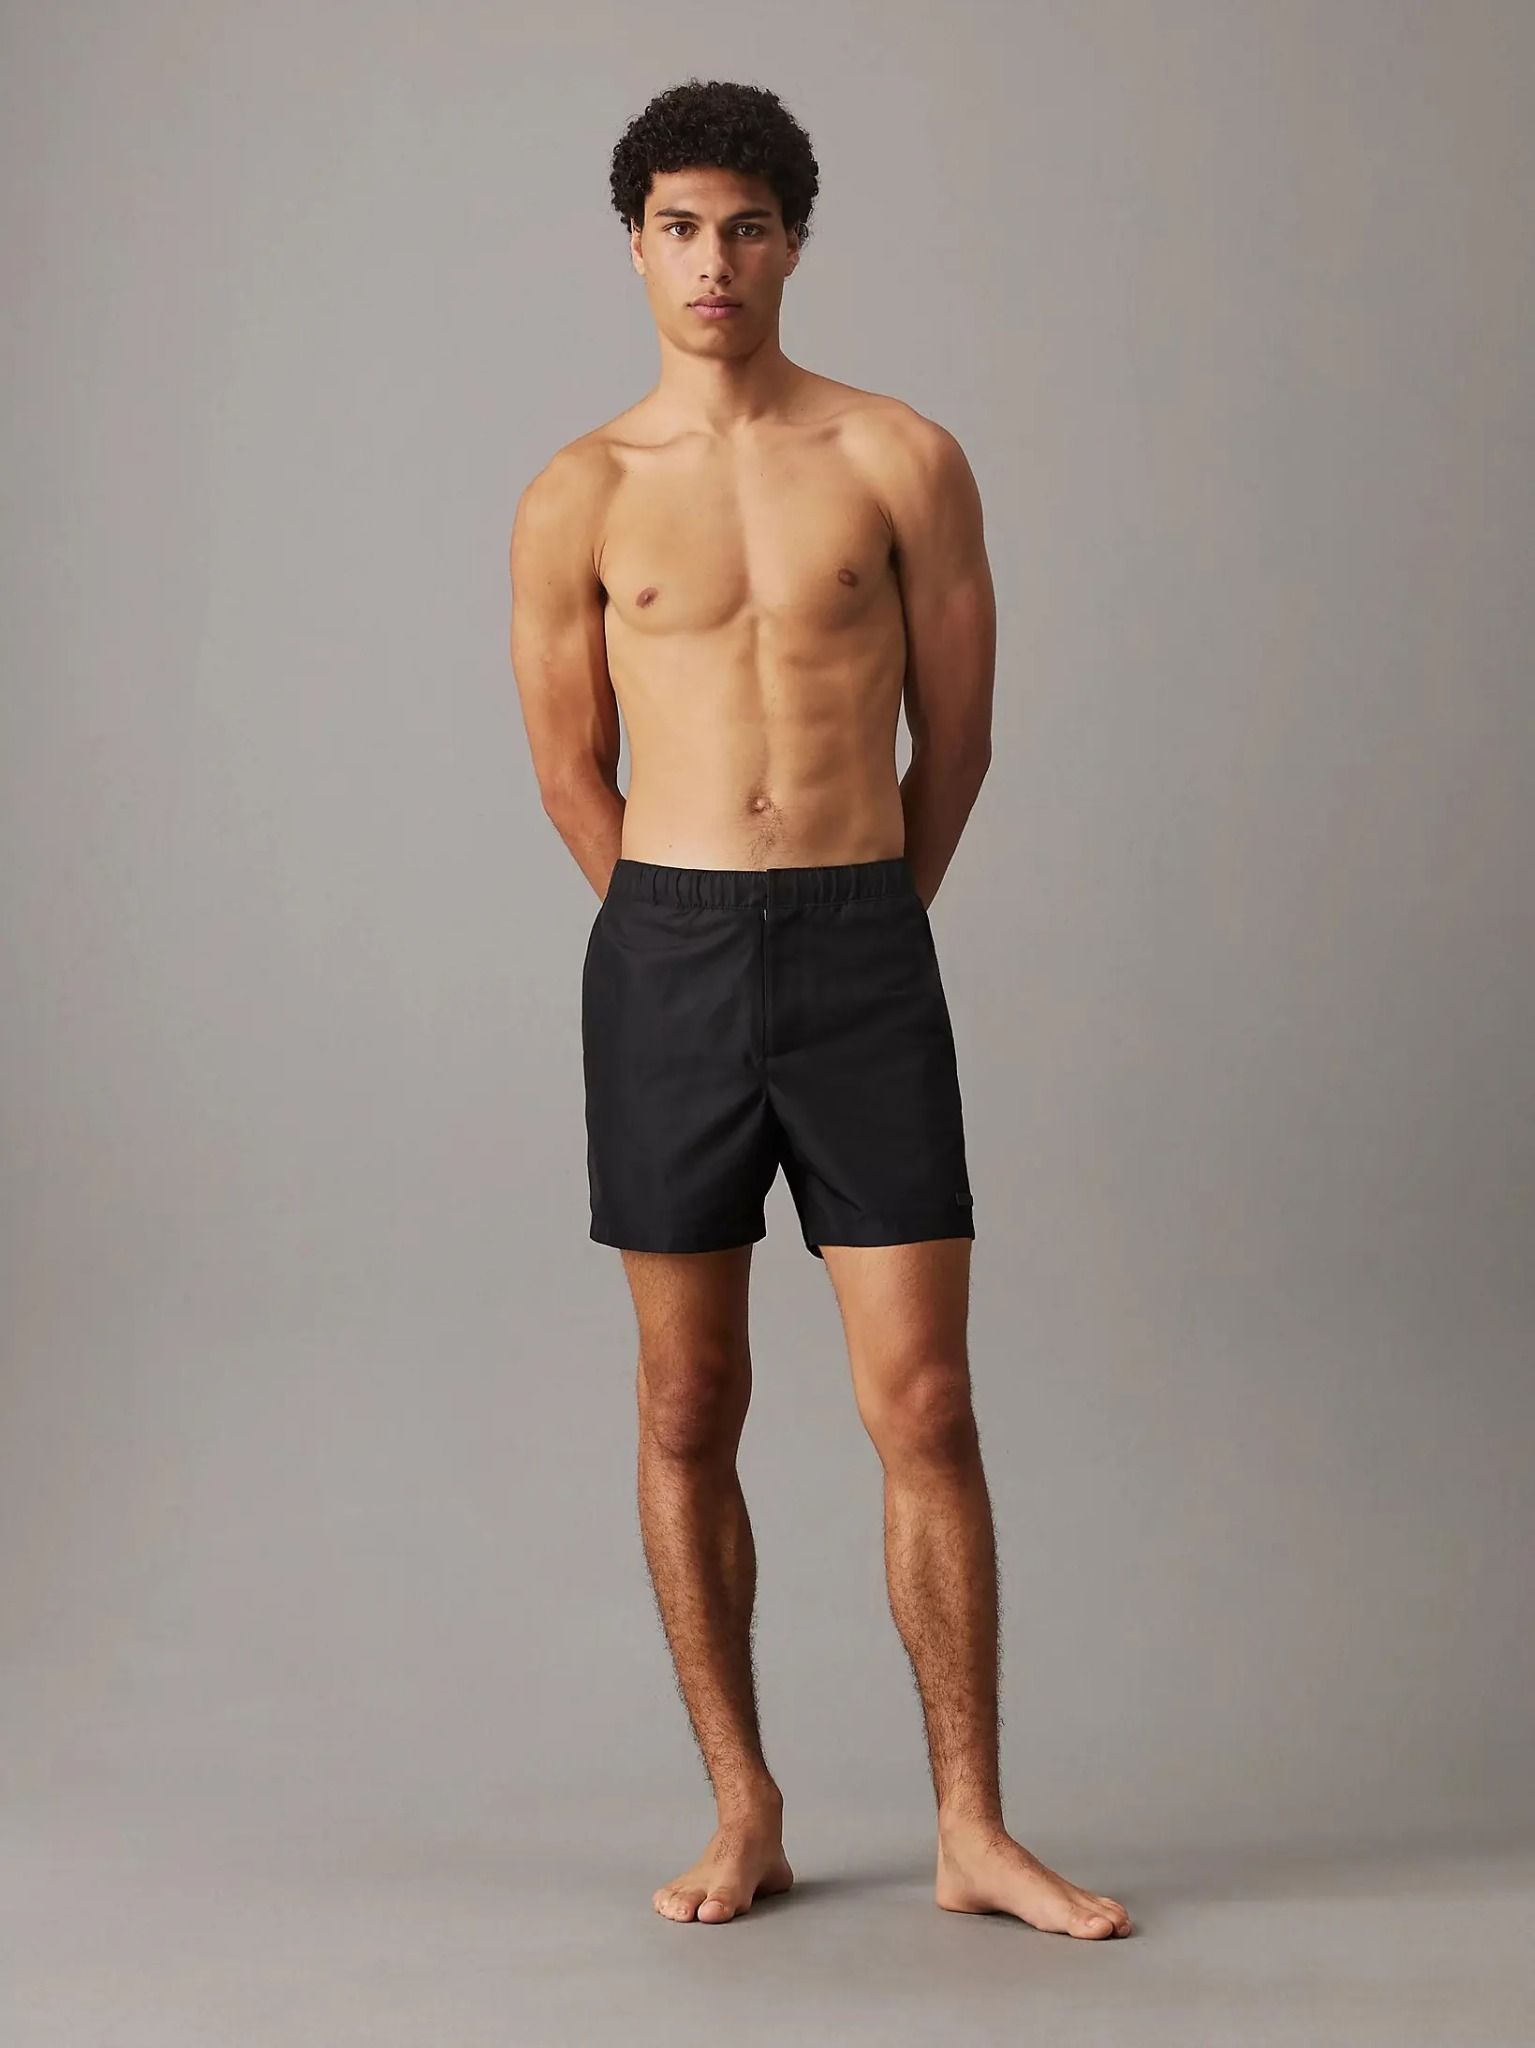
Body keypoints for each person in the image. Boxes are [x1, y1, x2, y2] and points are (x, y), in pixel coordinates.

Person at [508, 77, 1130, 1940]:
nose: (714, 260)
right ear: (635, 249)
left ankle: (973, 1827)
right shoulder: (579, 492)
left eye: (748, 227)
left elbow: (963, 737)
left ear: (793, 244)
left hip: (862, 942)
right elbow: (570, 773)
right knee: (686, 1398)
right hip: (670, 952)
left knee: (924, 1399)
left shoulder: (900, 456)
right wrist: (682, 938)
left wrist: (858, 924)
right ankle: (745, 1805)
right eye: (680, 228)